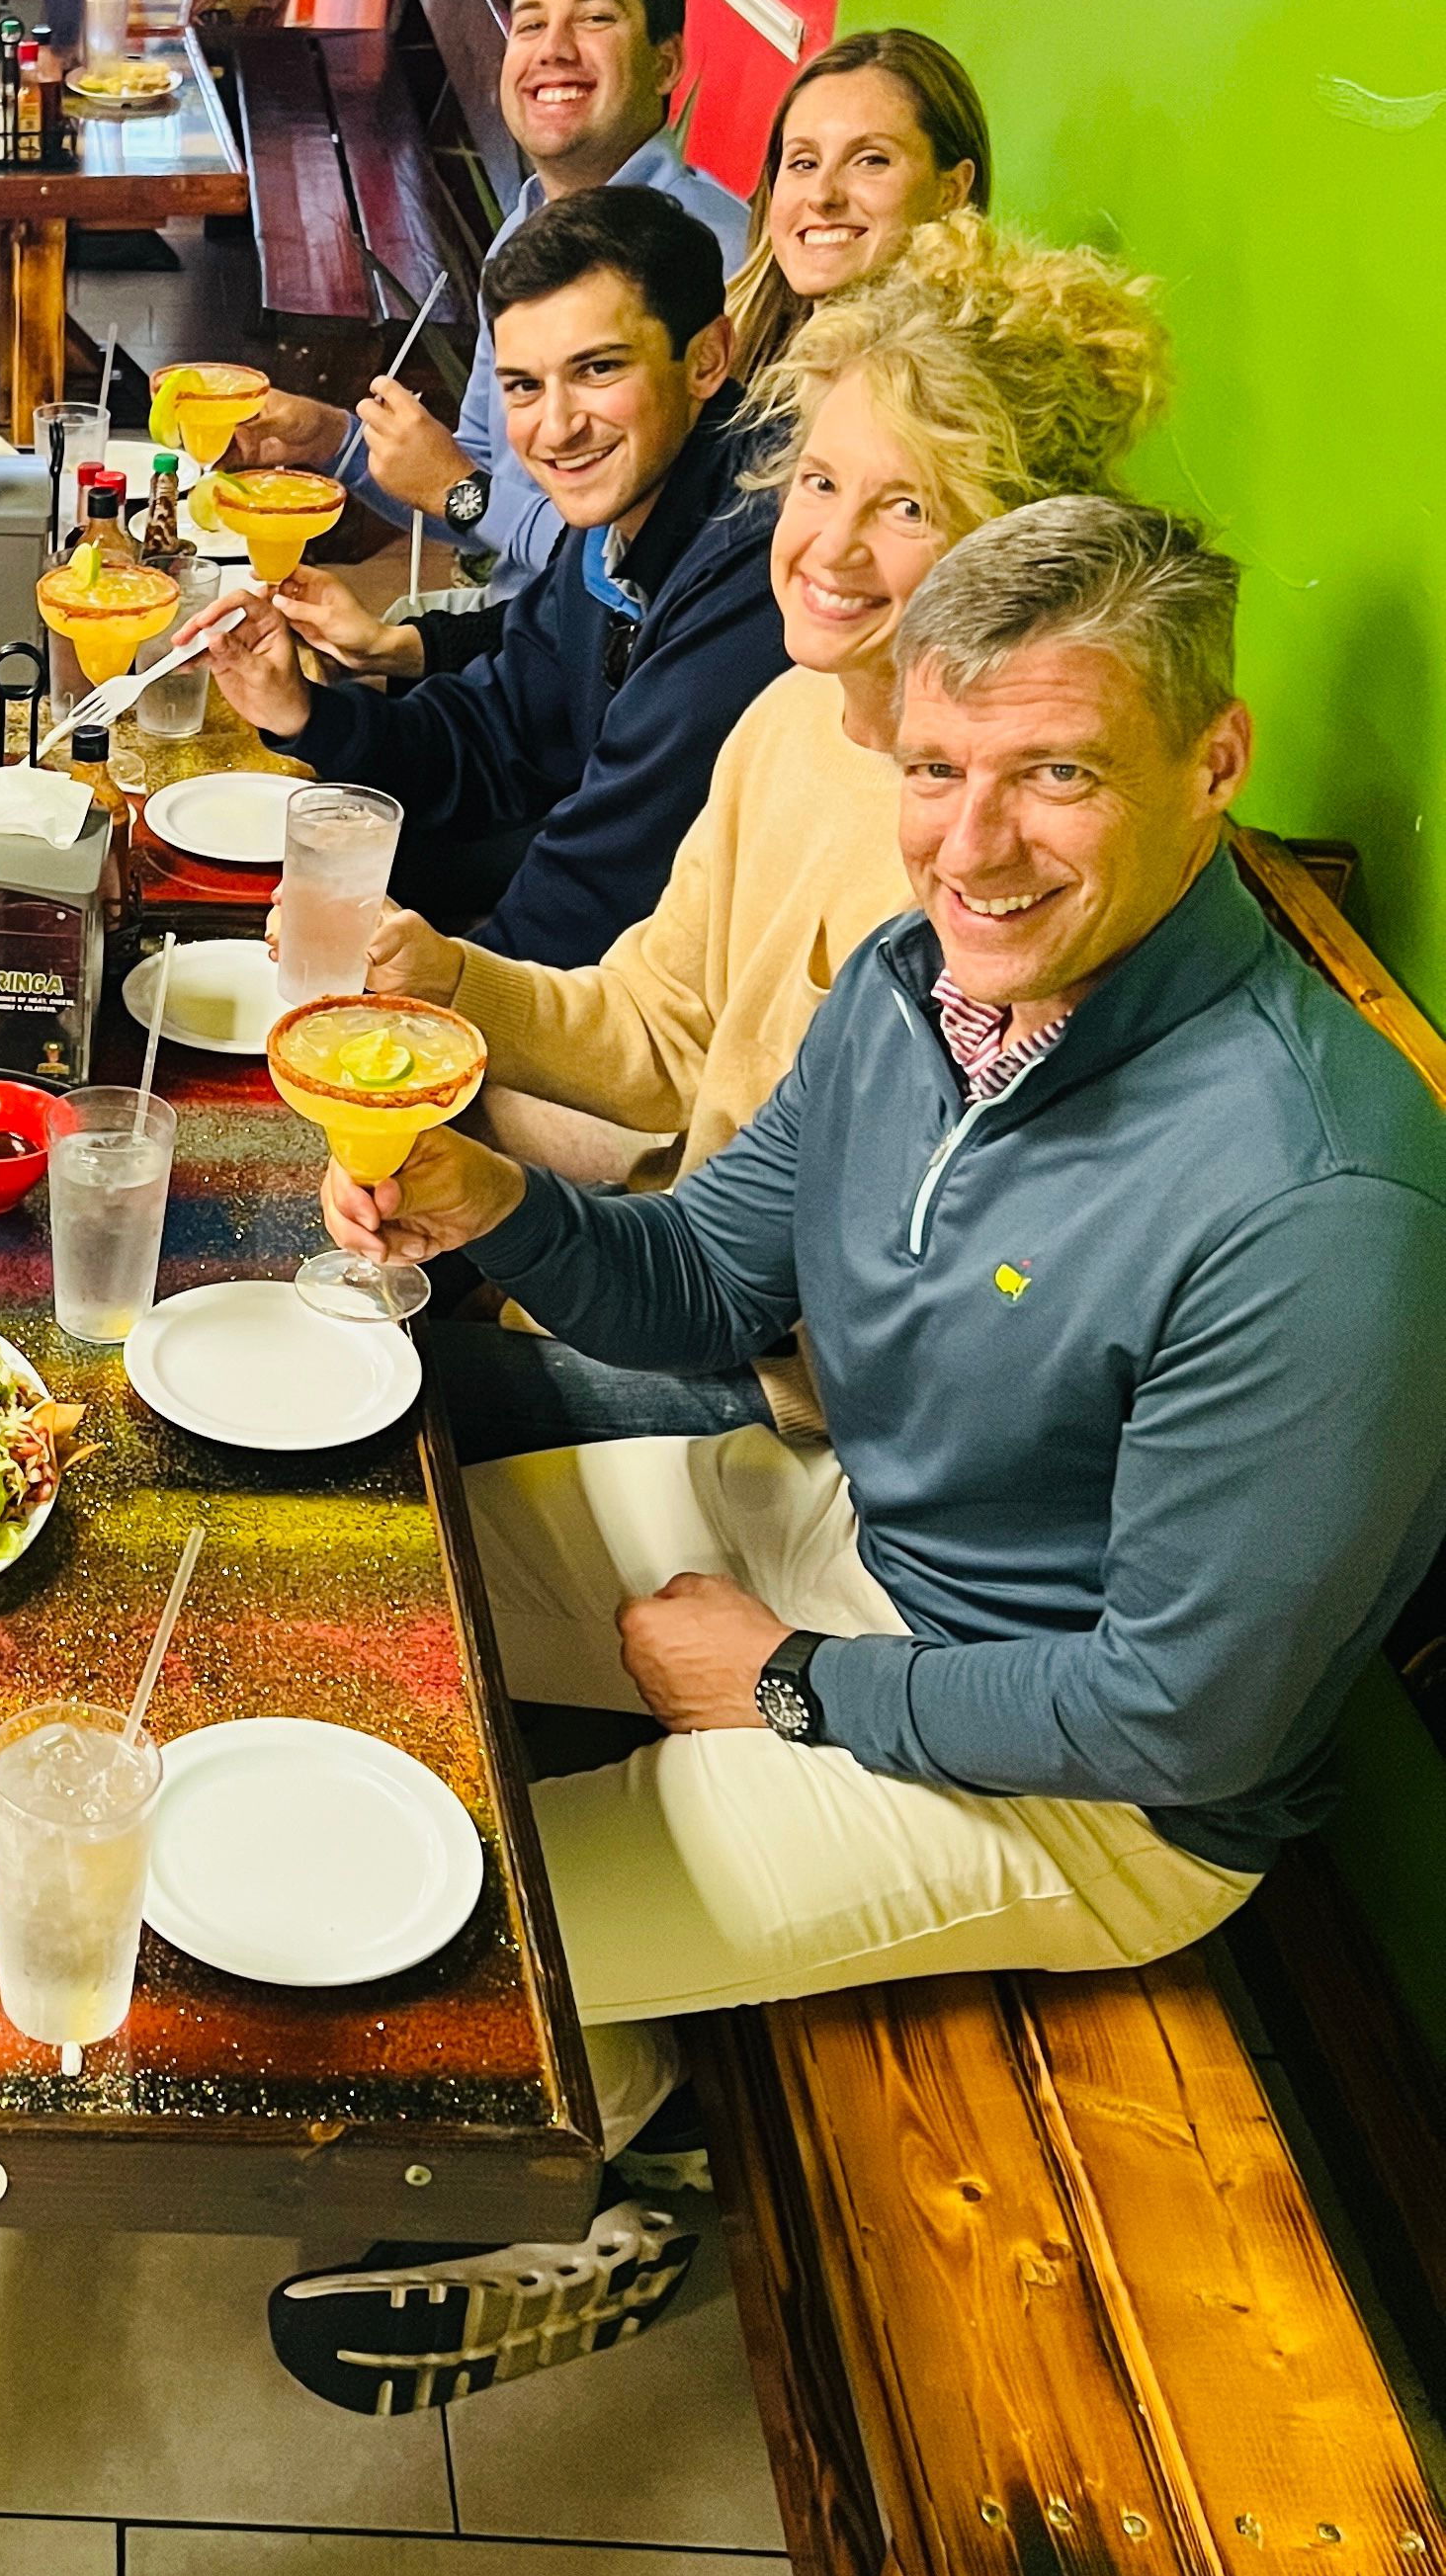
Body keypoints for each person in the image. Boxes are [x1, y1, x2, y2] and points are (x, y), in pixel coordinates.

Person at [313, 498, 1446, 2167]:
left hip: (1096, 1795)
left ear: (1213, 760)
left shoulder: (1312, 1197)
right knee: (351, 1598)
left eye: (1052, 772)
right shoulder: (914, 984)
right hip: (861, 1537)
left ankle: (618, 2159)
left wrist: (783, 1684)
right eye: (932, 769)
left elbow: (1179, 1716)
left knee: (399, 1931)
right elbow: (700, 1280)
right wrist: (495, 1202)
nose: (969, 848)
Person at [369, 218, 1167, 1457]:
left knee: (378, 1408)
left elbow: (865, 1300)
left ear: (1017, 541)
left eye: (907, 506)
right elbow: (662, 1027)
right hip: (685, 1267)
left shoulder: (992, 866)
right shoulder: (795, 713)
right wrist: (449, 979)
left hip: (797, 1396)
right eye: (819, 482)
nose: (830, 551)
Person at [212, 187, 784, 959]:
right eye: (524, 385)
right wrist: (304, 712)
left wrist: (444, 996)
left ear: (706, 359)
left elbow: (602, 881)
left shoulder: (753, 563)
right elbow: (495, 734)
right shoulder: (611, 519)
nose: (556, 428)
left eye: (599, 369)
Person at [228, 0, 750, 605]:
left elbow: (636, 573)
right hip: (515, 628)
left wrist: (457, 489)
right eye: (531, 23)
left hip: (603, 666)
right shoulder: (531, 226)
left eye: (595, 19)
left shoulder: (719, 262)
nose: (554, 49)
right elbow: (477, 492)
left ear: (665, 62)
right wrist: (329, 439)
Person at [720, 28, 991, 387]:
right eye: (804, 162)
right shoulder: (717, 359)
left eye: (870, 160)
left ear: (951, 190)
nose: (822, 195)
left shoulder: (971, 402)